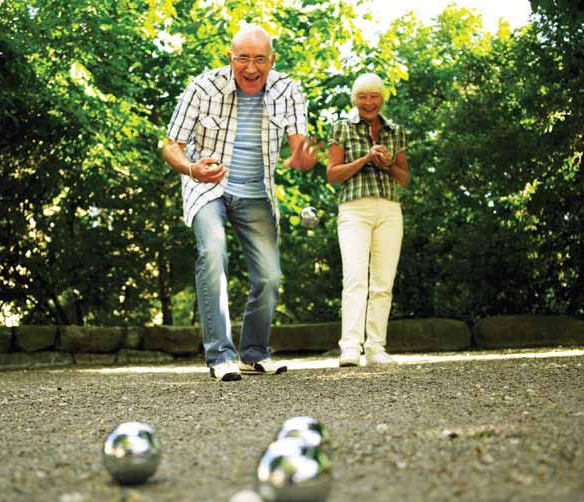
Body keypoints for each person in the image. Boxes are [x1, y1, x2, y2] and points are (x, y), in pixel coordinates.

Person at [162, 25, 319, 381]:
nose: (251, 68)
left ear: (272, 60)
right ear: (230, 58)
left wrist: (301, 154)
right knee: (214, 250)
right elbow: (171, 145)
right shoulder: (203, 87)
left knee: (270, 275)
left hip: (256, 191)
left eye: (259, 59)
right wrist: (191, 168)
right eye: (243, 59)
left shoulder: (287, 89)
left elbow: (298, 140)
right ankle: (220, 355)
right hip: (208, 187)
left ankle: (253, 354)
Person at [326, 72, 410, 367]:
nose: (368, 102)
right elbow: (333, 174)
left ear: (382, 98)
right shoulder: (342, 128)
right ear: (355, 99)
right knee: (355, 278)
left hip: (389, 209)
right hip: (354, 210)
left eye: (374, 96)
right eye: (362, 96)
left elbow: (404, 178)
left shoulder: (395, 131)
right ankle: (350, 346)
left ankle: (376, 347)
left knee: (383, 282)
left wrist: (386, 163)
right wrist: (365, 159)